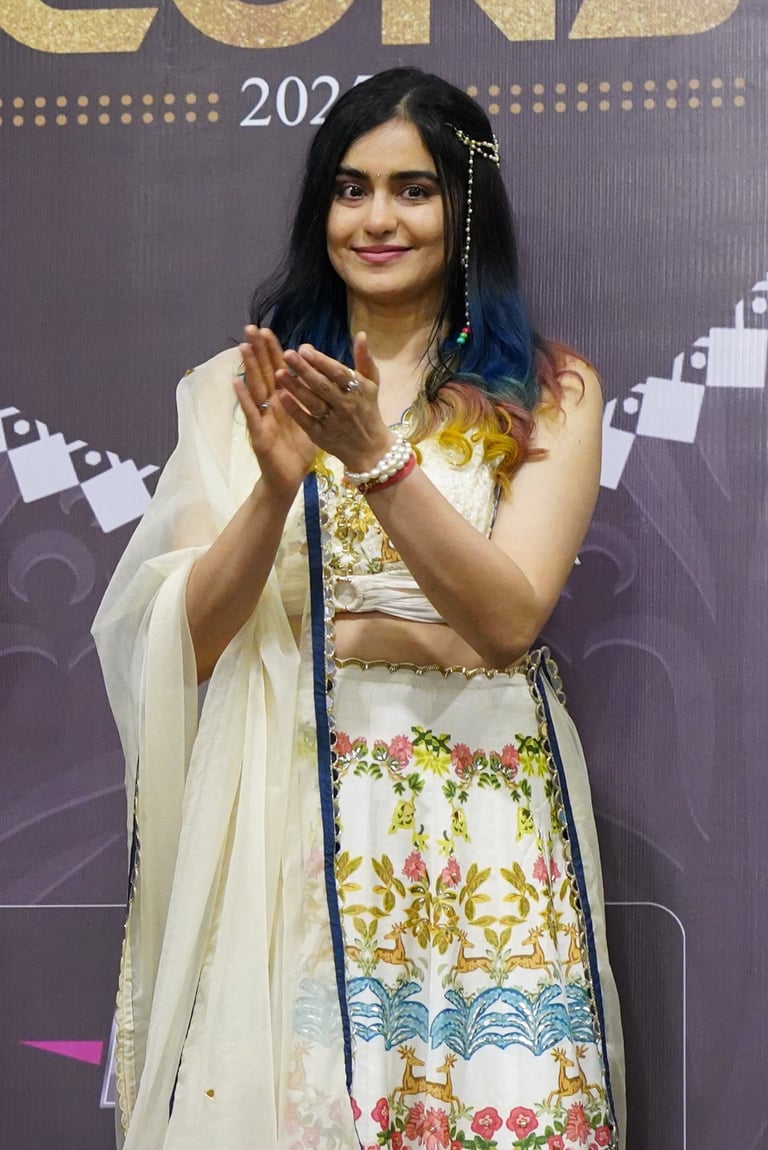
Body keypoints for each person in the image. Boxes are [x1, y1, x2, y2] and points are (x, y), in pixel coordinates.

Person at [93, 67, 625, 1150]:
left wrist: (376, 460)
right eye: (351, 189)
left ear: (464, 208)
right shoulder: (241, 391)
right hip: (293, 810)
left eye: (413, 190)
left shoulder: (548, 394)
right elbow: (187, 643)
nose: (378, 219)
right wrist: (276, 485)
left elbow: (506, 623)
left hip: (482, 815)